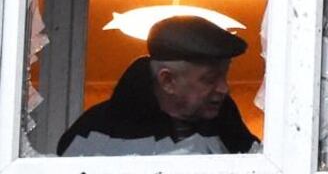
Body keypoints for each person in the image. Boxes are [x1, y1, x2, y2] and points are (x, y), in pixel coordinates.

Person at [57, 15, 258, 156]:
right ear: (168, 81)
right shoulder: (95, 131)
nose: (224, 88)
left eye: (225, 76)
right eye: (210, 79)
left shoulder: (228, 127)